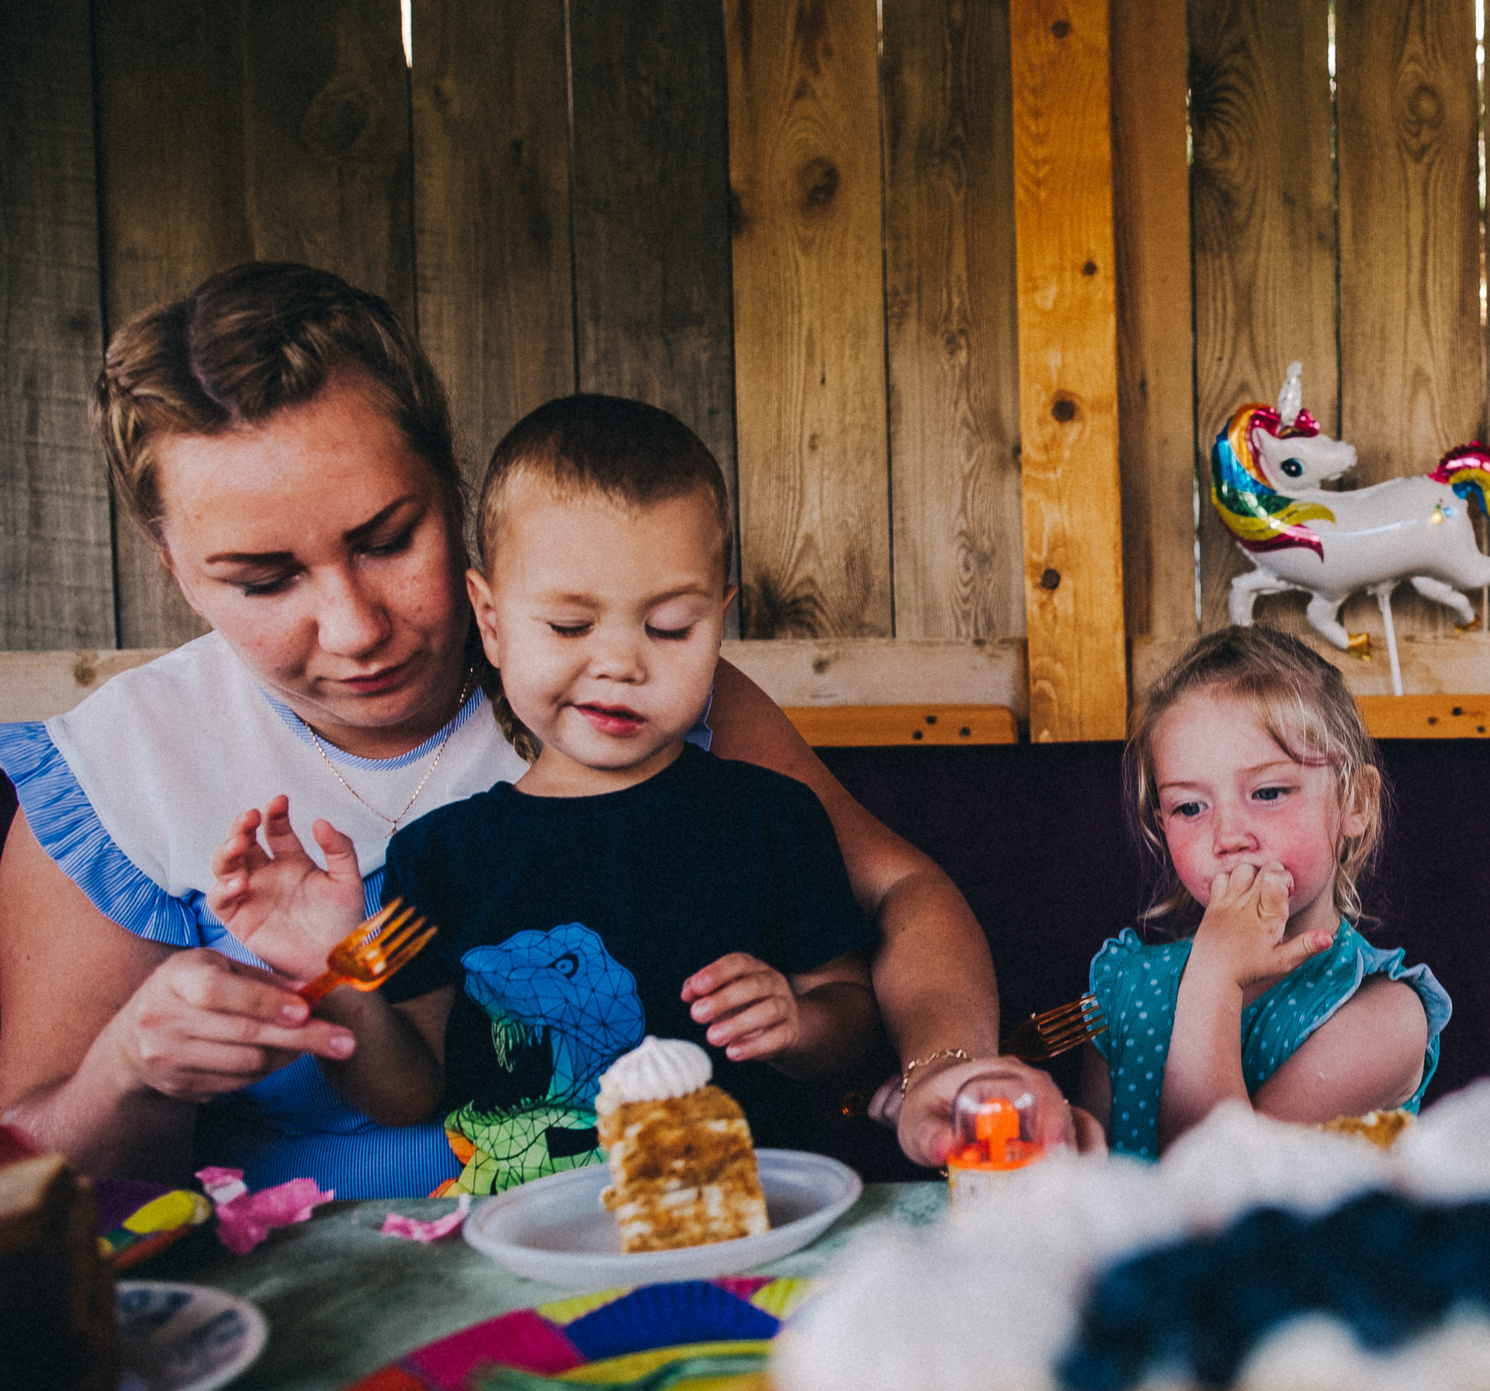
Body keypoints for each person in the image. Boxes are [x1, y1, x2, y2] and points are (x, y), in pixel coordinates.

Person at [0, 261, 1064, 1194]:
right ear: (172, 567)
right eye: (263, 578)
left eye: (385, 539)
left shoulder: (627, 695)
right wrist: (130, 1067)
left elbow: (900, 895)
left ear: (452, 493)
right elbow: (43, 1177)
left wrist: (943, 1072)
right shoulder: (122, 774)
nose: (356, 625)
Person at [206, 395, 876, 1192]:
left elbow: (853, 1014)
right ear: (491, 622)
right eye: (568, 626)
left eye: (669, 627)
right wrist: (333, 969)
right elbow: (409, 1092)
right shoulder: (440, 856)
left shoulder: (774, 817)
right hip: (528, 1227)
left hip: (745, 1211)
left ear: (720, 621)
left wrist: (800, 1025)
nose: (620, 663)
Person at [1080, 625, 1450, 1157]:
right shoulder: (1123, 988)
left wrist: (1213, 977)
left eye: (1269, 792)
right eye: (1189, 807)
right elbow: (1086, 1193)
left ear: (1356, 803)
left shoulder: (1384, 1016)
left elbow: (1223, 1183)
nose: (1228, 836)